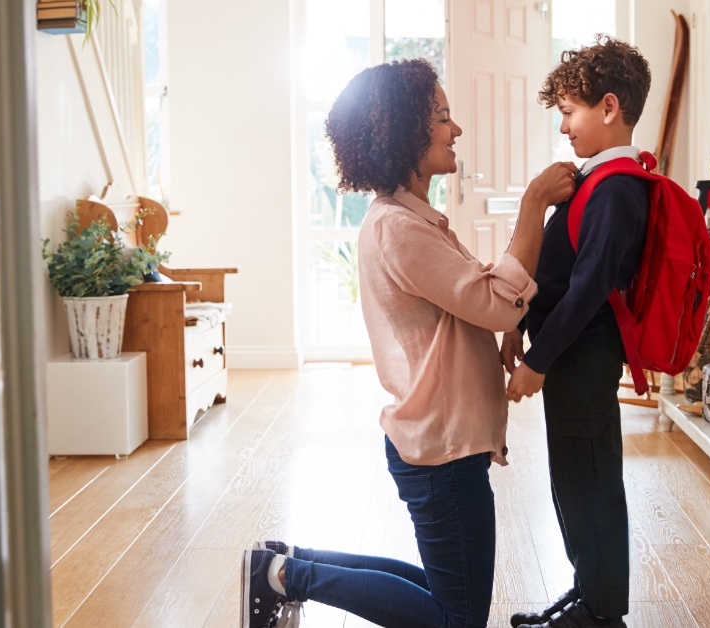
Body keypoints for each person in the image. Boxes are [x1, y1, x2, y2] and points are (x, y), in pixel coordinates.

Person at [242, 58, 578, 628]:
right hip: (440, 450)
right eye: (443, 117)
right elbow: (494, 299)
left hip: (439, 444)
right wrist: (532, 205)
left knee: (447, 592)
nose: (456, 129)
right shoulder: (398, 229)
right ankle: (285, 578)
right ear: (403, 132)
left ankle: (285, 564)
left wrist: (510, 325)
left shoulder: (410, 220)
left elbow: (478, 301)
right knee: (455, 618)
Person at [500, 35, 653, 628]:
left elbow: (589, 288)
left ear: (609, 107)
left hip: (583, 361)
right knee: (572, 478)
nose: (563, 127)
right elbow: (560, 270)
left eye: (569, 112)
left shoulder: (616, 187)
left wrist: (538, 359)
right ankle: (587, 591)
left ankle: (601, 610)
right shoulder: (598, 179)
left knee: (591, 484)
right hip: (572, 361)